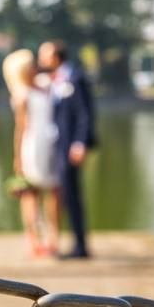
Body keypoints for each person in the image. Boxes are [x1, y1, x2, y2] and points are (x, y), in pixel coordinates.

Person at [38, 39, 96, 259]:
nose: (41, 58)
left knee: (72, 196)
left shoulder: (76, 78)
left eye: (44, 54)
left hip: (72, 147)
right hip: (58, 146)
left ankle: (80, 247)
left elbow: (85, 114)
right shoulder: (54, 80)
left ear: (54, 55)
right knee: (66, 195)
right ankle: (75, 244)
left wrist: (80, 143)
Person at [2, 48, 61, 257]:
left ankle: (53, 238)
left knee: (55, 192)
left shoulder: (46, 84)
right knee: (31, 193)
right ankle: (33, 238)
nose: (36, 67)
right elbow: (20, 128)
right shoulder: (22, 95)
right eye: (31, 65)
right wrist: (17, 157)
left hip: (52, 143)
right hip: (33, 146)